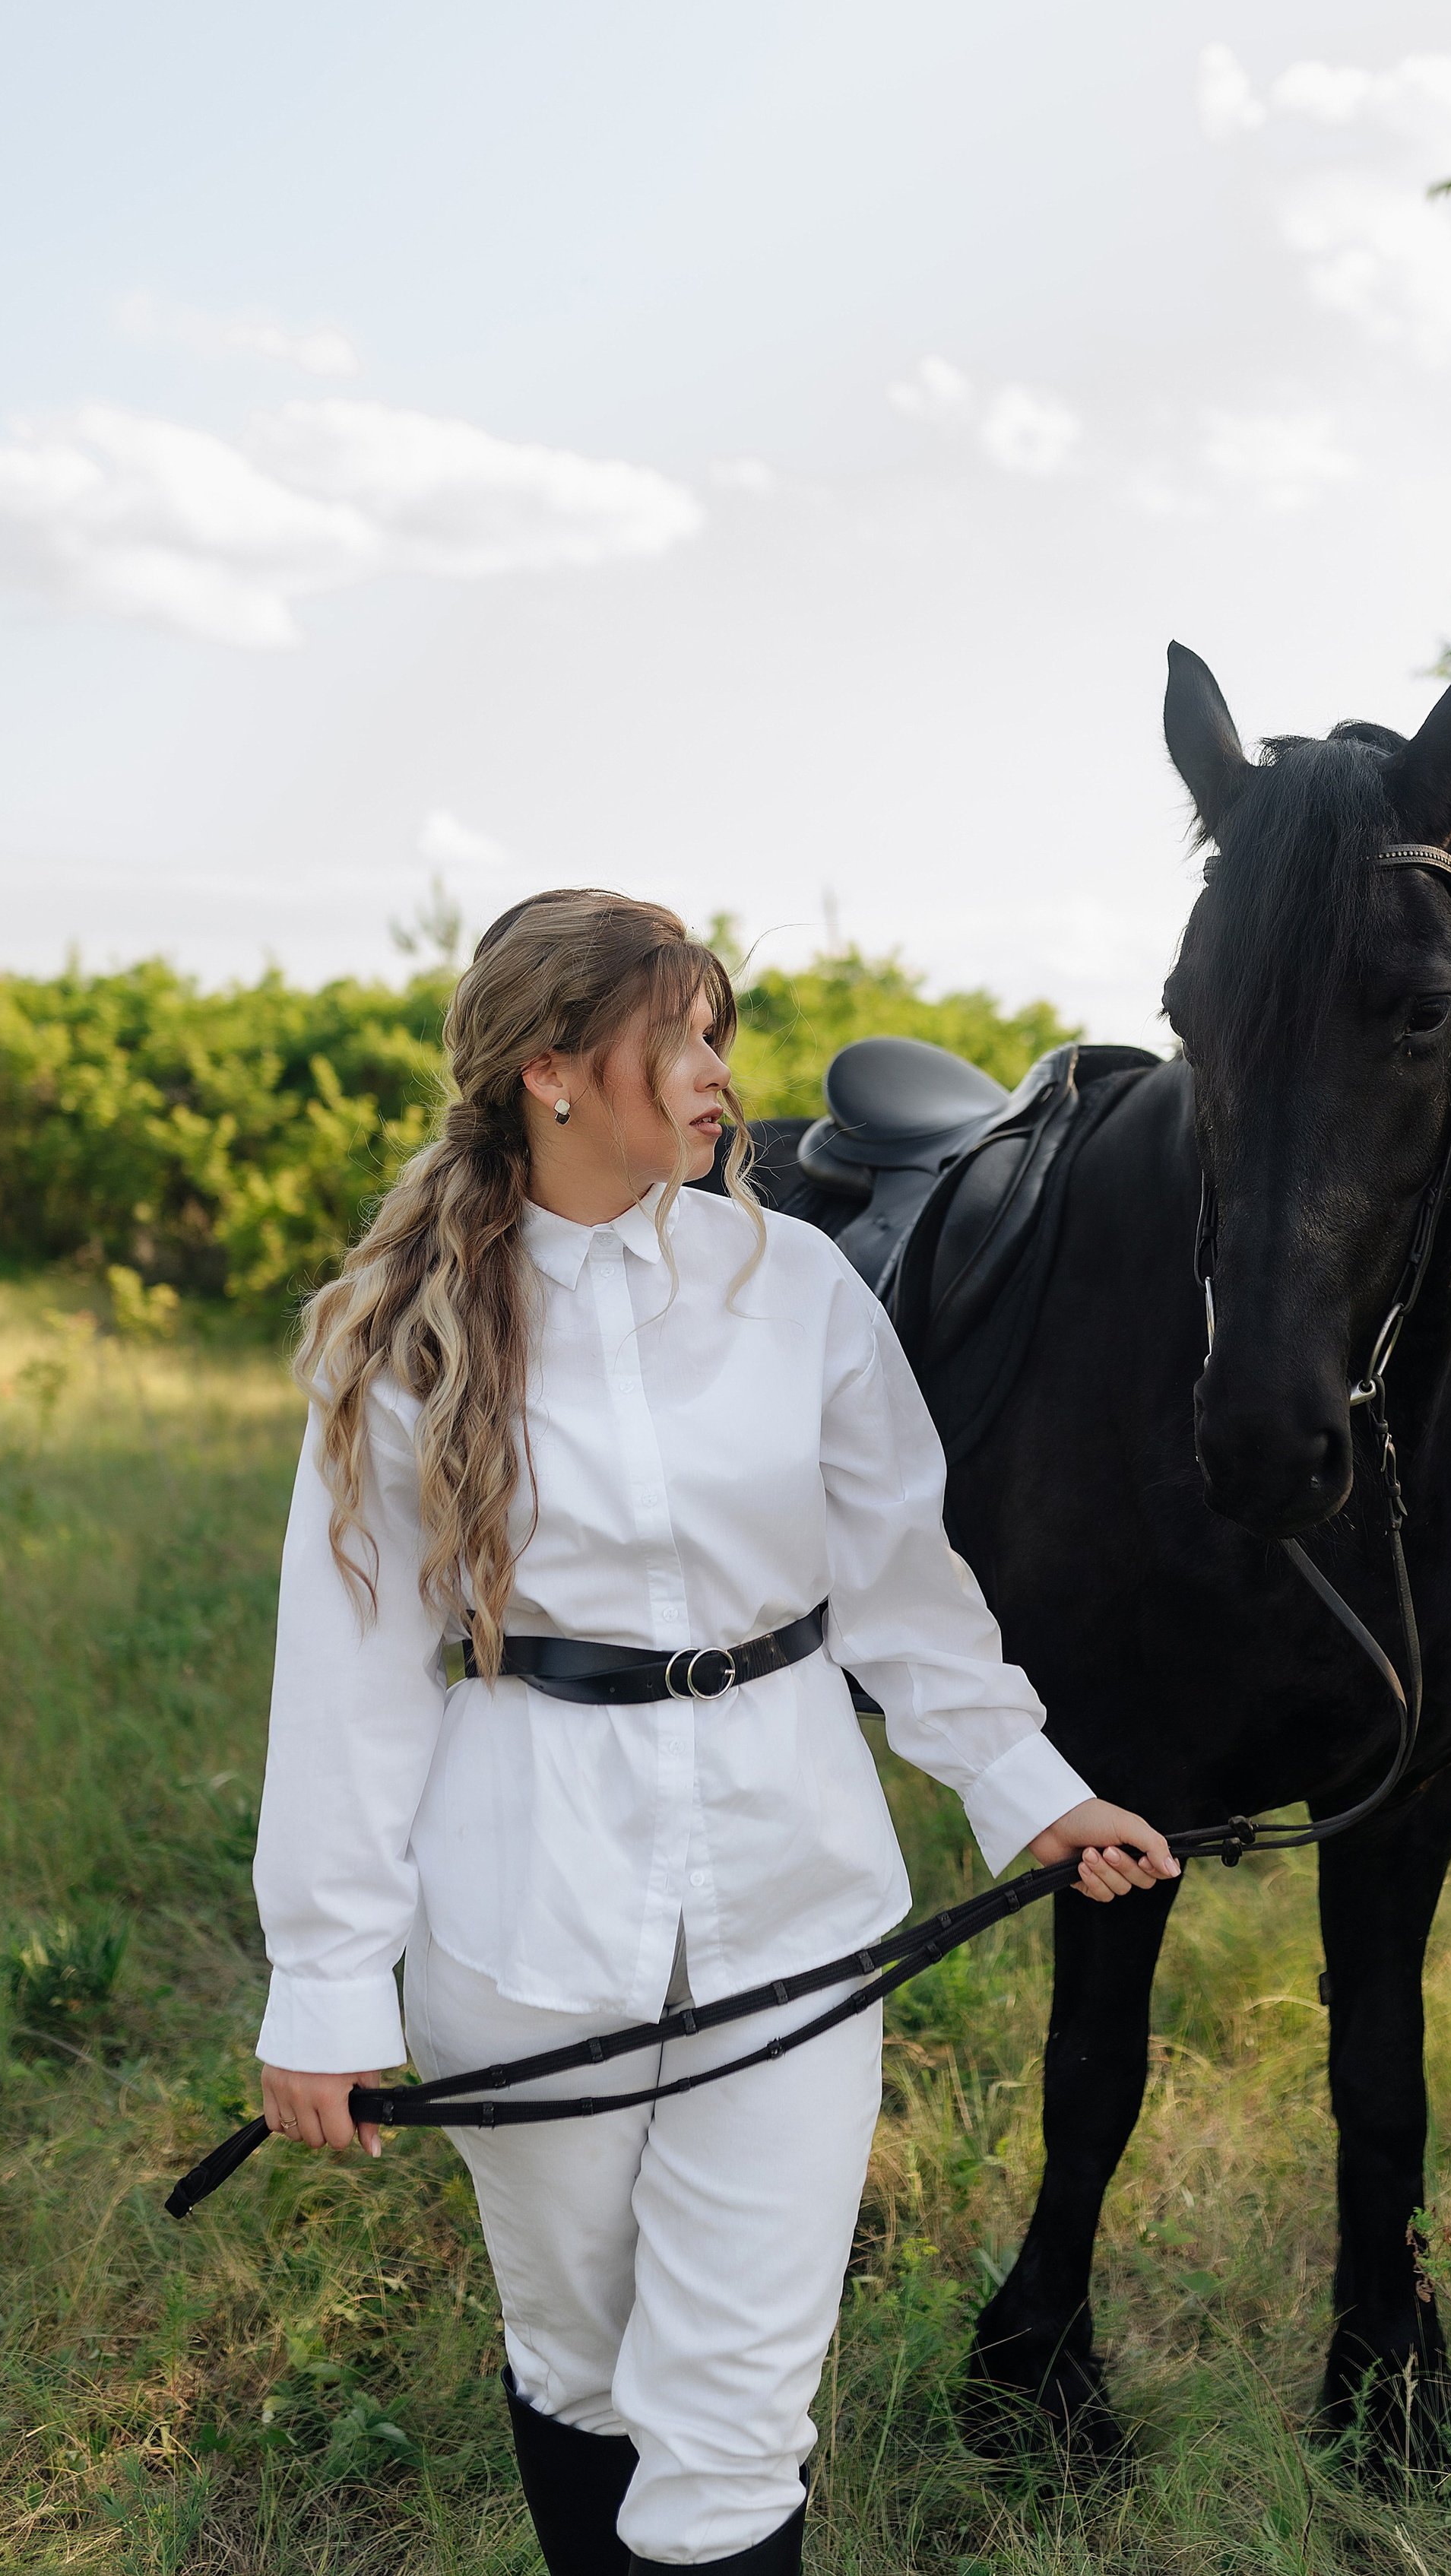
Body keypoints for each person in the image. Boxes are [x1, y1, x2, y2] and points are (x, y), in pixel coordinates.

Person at [251, 889, 1177, 2573]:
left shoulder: (794, 1280)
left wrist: (1028, 1787)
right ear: (548, 1069)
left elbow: (901, 1585)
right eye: (675, 1039)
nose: (715, 1077)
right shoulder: (403, 1331)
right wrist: (325, 1982)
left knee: (738, 2405)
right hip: (526, 1905)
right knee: (579, 2355)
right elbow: (353, 1678)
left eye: (716, 1037)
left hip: (793, 1884)